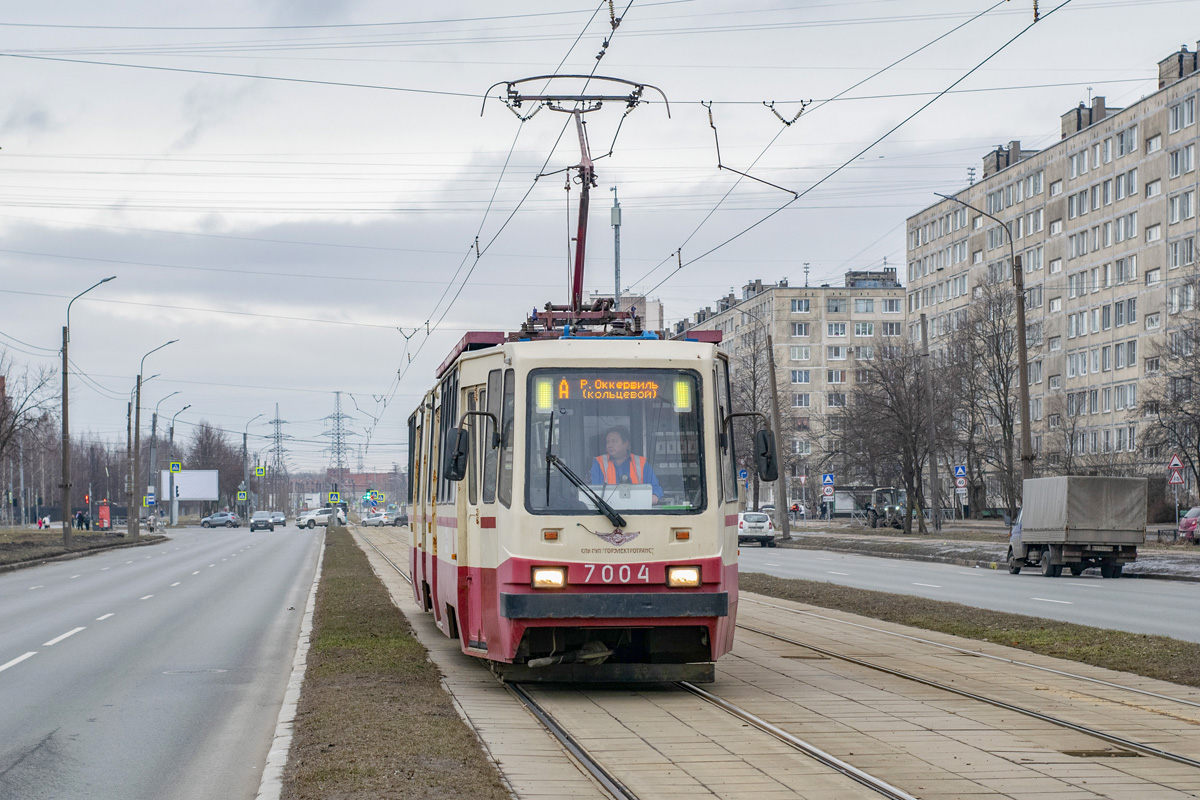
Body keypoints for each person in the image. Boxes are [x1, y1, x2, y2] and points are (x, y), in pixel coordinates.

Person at [590, 425, 663, 504]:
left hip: (637, 510)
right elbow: (596, 490)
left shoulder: (641, 463)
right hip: (609, 510)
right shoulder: (599, 463)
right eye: (608, 441)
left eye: (614, 441)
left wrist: (655, 495)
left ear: (625, 443)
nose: (609, 445)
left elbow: (655, 488)